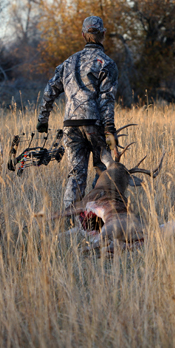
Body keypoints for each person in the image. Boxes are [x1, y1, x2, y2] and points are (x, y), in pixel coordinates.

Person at [36, 16, 118, 209]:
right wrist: (109, 130)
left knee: (75, 174)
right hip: (95, 125)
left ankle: (70, 217)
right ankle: (94, 216)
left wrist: (43, 118)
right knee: (103, 171)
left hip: (70, 126)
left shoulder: (69, 62)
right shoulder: (106, 63)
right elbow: (107, 99)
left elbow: (50, 91)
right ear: (103, 35)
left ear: (83, 35)